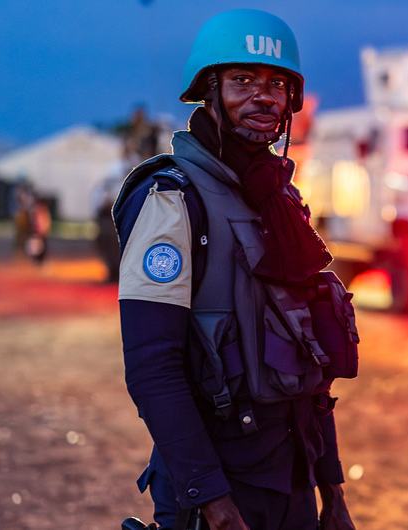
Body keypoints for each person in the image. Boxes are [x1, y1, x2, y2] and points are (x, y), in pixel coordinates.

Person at [114, 10, 354, 530]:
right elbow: (152, 368)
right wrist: (213, 502)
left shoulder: (280, 200)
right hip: (216, 491)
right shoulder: (172, 198)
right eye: (242, 80)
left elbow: (307, 358)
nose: (262, 96)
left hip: (291, 479)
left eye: (276, 83)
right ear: (210, 91)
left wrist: (331, 488)